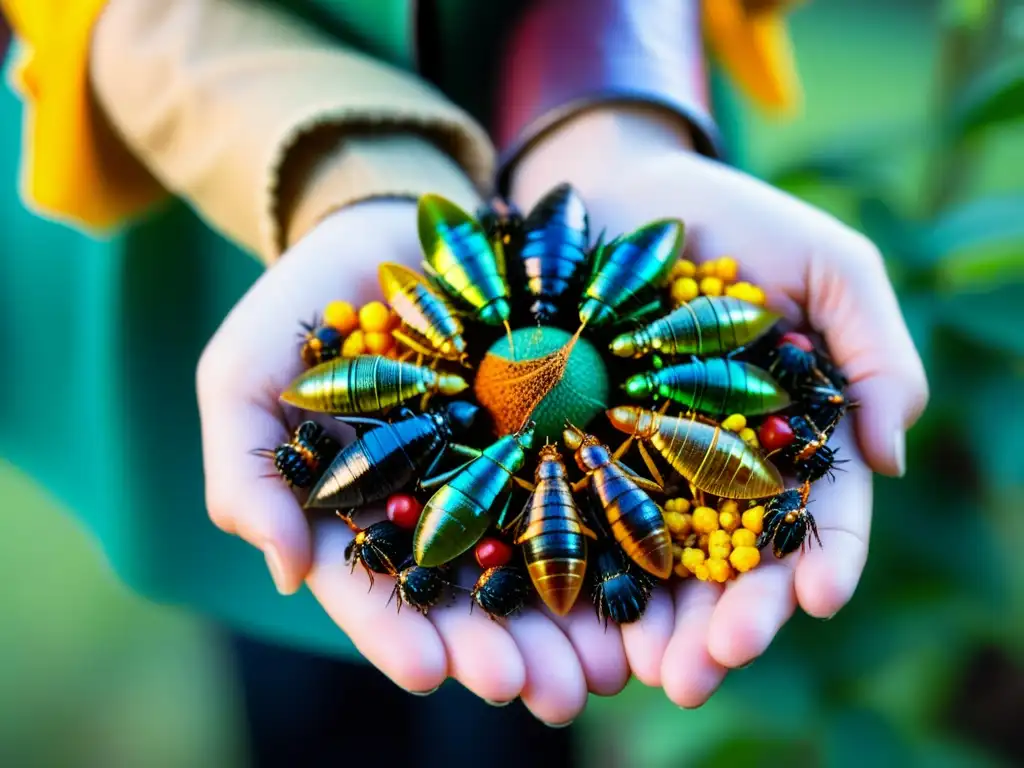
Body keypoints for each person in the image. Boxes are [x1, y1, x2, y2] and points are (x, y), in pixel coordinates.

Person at [0, 0, 928, 761]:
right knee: (292, 656)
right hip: (208, 189)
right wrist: (334, 163)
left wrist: (610, 92)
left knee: (494, 716)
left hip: (611, 90)